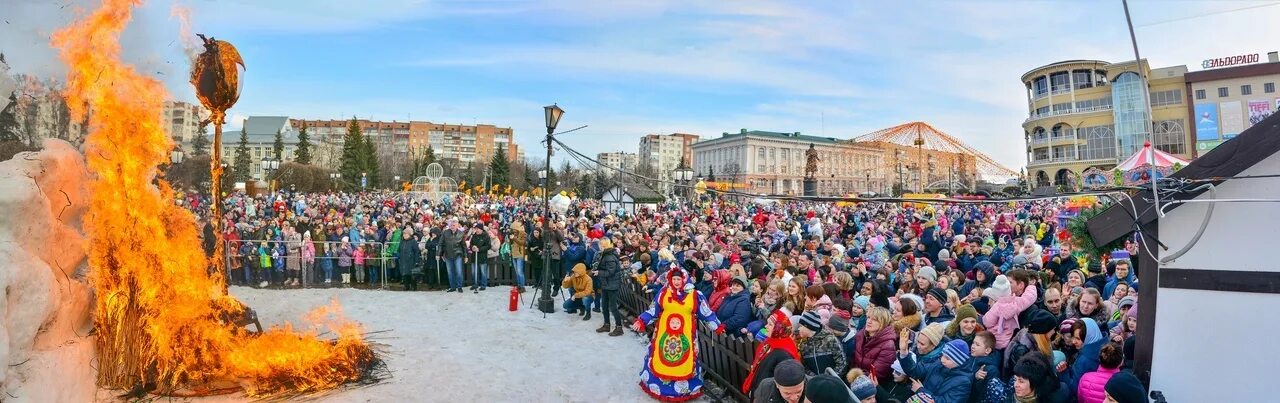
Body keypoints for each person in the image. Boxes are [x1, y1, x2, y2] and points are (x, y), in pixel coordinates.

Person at [634, 268, 723, 402]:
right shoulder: (664, 292)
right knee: (661, 358)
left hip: (685, 335)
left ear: (684, 279)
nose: (676, 282)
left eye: (679, 279)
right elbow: (654, 310)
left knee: (684, 360)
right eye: (674, 279)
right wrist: (642, 320)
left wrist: (717, 326)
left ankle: (682, 390)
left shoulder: (694, 295)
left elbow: (706, 313)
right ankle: (659, 387)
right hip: (664, 334)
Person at [896, 331, 973, 403]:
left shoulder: (964, 382)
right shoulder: (939, 364)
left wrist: (920, 391)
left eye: (948, 358)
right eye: (942, 355)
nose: (942, 359)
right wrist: (904, 352)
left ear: (959, 361)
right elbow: (915, 371)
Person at [744, 310, 801, 396]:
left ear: (779, 328)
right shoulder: (771, 342)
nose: (766, 326)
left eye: (770, 324)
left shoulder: (784, 354)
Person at [983, 270, 1039, 350]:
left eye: (1010, 282)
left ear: (1021, 285)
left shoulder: (1030, 308)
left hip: (1012, 345)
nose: (1006, 285)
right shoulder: (1003, 300)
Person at [850, 306, 897, 383]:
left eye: (874, 319)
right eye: (868, 317)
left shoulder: (888, 346)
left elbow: (877, 373)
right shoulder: (861, 334)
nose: (869, 321)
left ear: (883, 323)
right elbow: (852, 360)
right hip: (855, 377)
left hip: (869, 385)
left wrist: (854, 377)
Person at [796, 310, 846, 376]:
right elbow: (805, 366)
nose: (799, 329)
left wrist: (830, 378)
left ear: (808, 327)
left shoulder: (830, 340)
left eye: (801, 326)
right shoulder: (803, 344)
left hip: (833, 382)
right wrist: (814, 378)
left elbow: (842, 363)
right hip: (815, 383)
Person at [594, 239, 625, 336]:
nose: (599, 246)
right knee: (604, 305)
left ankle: (619, 328)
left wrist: (599, 272)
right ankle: (607, 324)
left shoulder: (610, 256)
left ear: (603, 245)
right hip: (606, 284)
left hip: (612, 284)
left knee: (613, 307)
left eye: (600, 244)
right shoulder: (605, 254)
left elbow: (610, 272)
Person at [967, 331, 1000, 403]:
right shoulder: (968, 357)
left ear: (987, 350)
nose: (973, 346)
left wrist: (977, 379)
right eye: (973, 343)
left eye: (977, 345)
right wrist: (974, 376)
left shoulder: (991, 370)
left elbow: (983, 394)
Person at [439, 219, 466, 293]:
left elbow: (464, 246)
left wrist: (466, 256)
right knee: (450, 272)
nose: (452, 227)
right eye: (451, 225)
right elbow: (441, 244)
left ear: (457, 226)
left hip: (458, 254)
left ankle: (459, 286)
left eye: (454, 225)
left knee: (459, 271)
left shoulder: (461, 233)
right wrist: (439, 254)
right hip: (448, 254)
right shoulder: (445, 233)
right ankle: (452, 286)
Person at [468, 224, 491, 293]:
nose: (476, 230)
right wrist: (473, 247)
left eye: (478, 229)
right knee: (474, 271)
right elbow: (471, 244)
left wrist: (479, 249)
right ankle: (475, 284)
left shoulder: (486, 236)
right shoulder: (474, 236)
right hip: (474, 256)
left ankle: (483, 285)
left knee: (483, 272)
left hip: (482, 257)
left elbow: (488, 246)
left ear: (481, 229)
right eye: (476, 229)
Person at [398, 226, 422, 291]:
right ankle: (406, 286)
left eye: (406, 234)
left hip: (411, 260)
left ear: (409, 234)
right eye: (403, 234)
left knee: (411, 274)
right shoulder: (402, 241)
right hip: (403, 260)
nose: (404, 235)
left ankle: (413, 286)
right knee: (404, 274)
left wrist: (416, 261)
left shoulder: (413, 241)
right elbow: (399, 250)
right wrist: (399, 257)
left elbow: (416, 251)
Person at [510, 220, 528, 292]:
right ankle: (519, 285)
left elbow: (522, 243)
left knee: (520, 271)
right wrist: (511, 239)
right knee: (517, 272)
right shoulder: (513, 234)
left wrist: (514, 238)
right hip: (514, 254)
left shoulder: (523, 234)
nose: (513, 230)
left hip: (520, 254)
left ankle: (522, 286)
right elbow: (512, 243)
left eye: (514, 228)